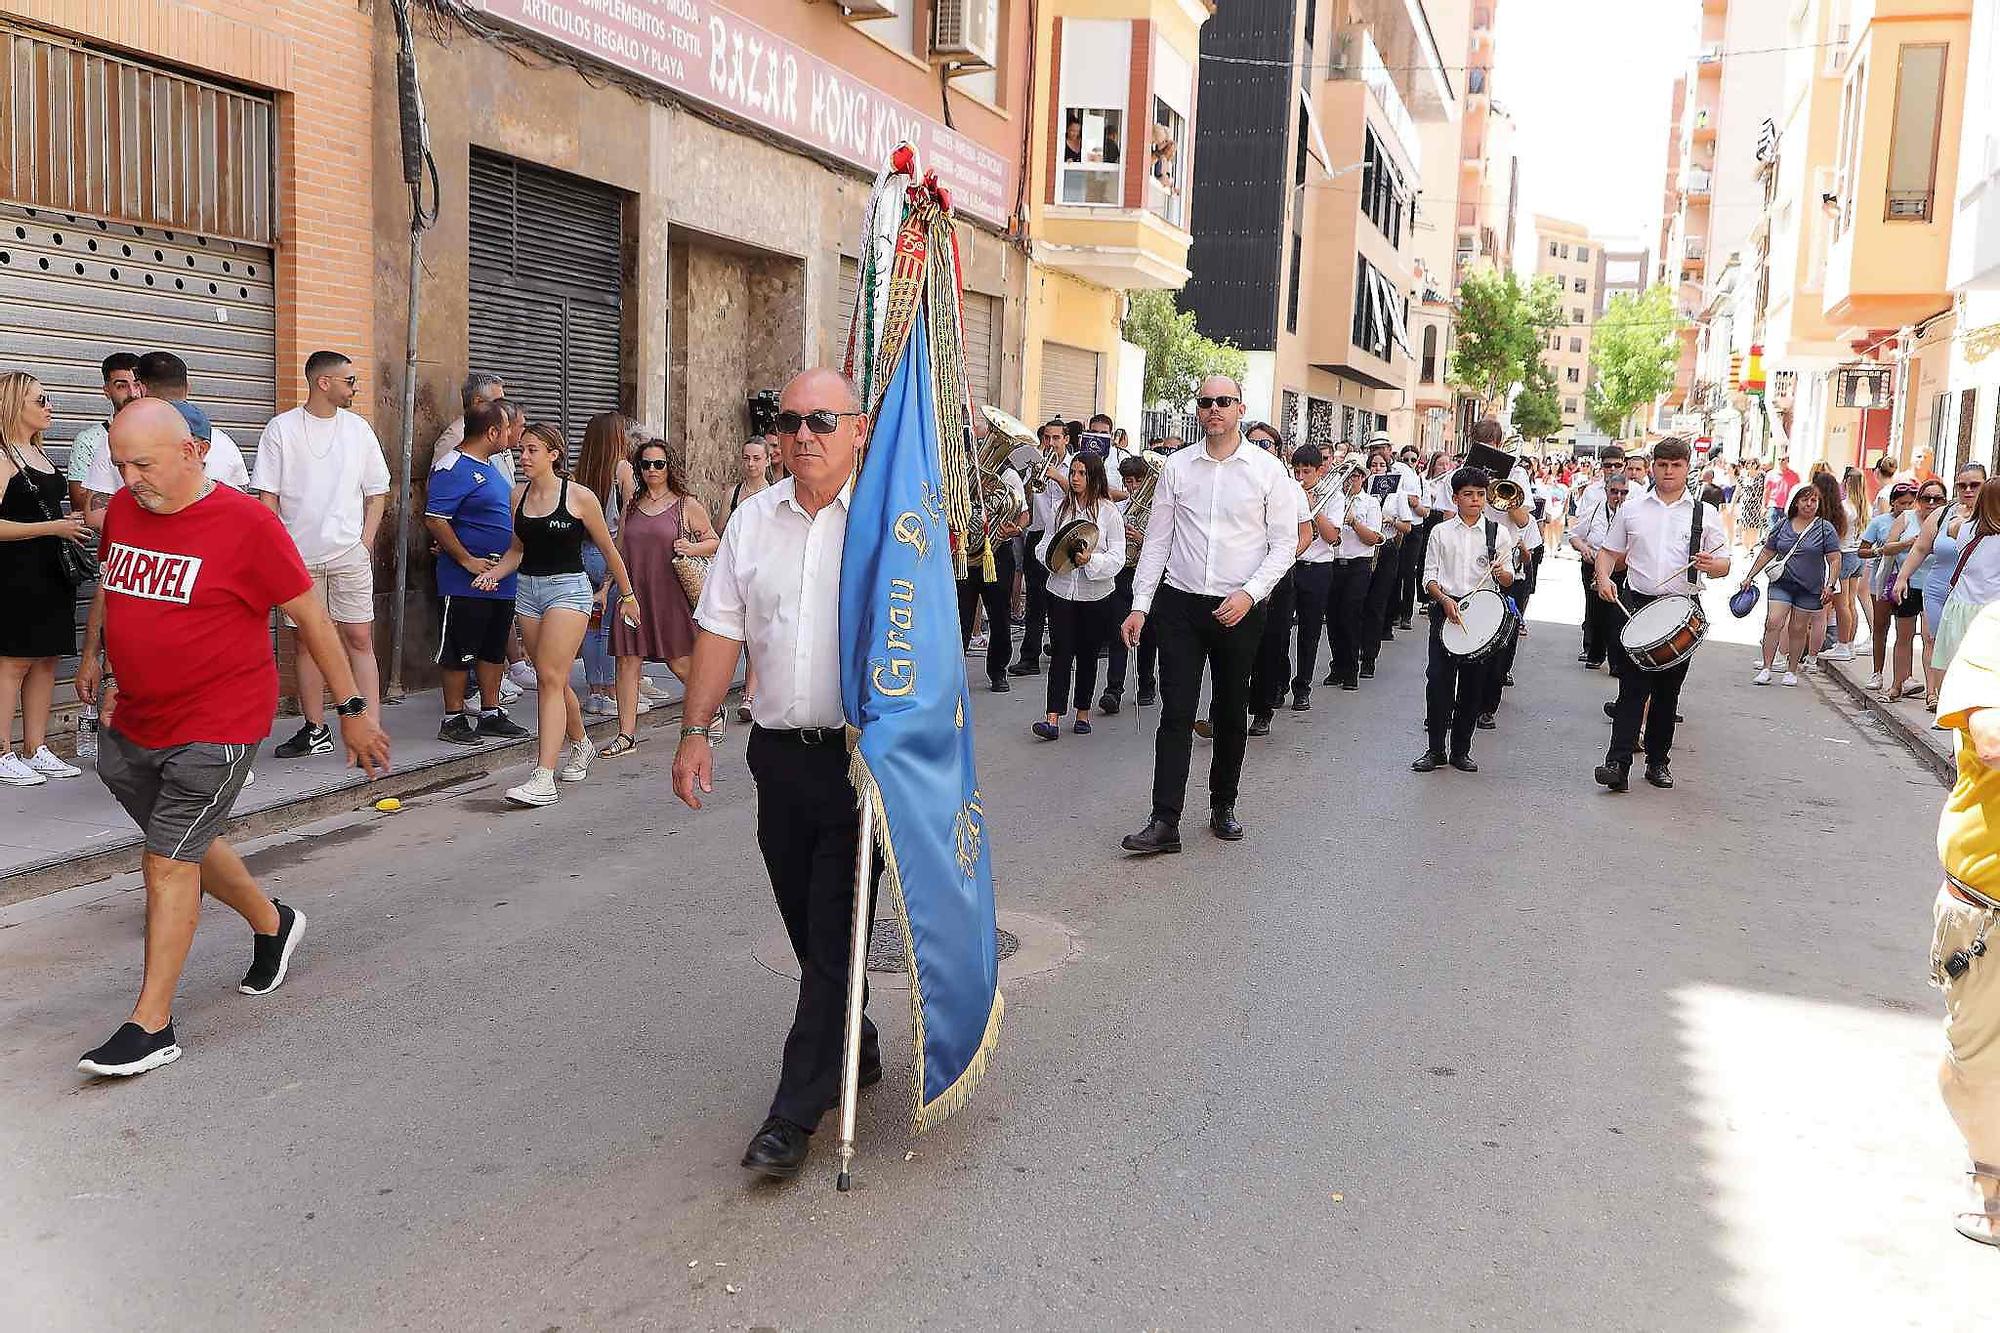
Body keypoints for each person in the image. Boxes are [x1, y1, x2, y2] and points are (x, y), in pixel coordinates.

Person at [71, 398, 390, 1076]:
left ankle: (150, 1024)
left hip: (216, 722)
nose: (128, 480)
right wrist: (99, 656)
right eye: (121, 463)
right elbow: (116, 585)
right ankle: (273, 923)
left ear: (192, 452)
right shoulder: (127, 509)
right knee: (181, 838)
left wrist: (353, 707)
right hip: (134, 718)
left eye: (143, 464)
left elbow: (312, 617)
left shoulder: (249, 525)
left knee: (166, 858)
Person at [671, 369, 882, 1180]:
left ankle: (793, 1114)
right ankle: (853, 1036)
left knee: (833, 929)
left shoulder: (885, 521)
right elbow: (721, 630)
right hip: (777, 759)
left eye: (822, 419)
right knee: (808, 926)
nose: (803, 434)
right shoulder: (752, 521)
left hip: (865, 764)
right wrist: (695, 731)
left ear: (857, 430)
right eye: (788, 419)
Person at [1118, 375, 1296, 853]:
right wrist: (1140, 605)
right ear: (1197, 411)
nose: (1213, 409)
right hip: (1180, 604)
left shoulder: (1266, 470)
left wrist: (1251, 593)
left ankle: (1223, 805)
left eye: (1223, 401)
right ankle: (1165, 820)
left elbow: (1283, 545)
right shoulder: (1177, 468)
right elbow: (1158, 541)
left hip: (1239, 607)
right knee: (1175, 711)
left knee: (1230, 710)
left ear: (1240, 408)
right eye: (1205, 402)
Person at [472, 423, 637, 806]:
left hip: (569, 590)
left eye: (531, 450)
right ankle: (581, 743)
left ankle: (543, 776)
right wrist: (493, 574)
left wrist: (626, 594)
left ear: (553, 455)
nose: (523, 457)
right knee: (556, 681)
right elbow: (517, 550)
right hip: (528, 591)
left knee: (548, 677)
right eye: (521, 451)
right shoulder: (518, 496)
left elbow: (609, 549)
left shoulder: (579, 497)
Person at [252, 351, 390, 760]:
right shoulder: (282, 429)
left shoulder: (358, 429)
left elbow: (376, 492)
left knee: (359, 637)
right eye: (349, 380)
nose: (355, 388)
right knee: (307, 643)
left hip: (348, 553)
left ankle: (372, 727)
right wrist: (280, 551)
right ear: (323, 383)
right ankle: (315, 729)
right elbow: (267, 497)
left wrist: (364, 542)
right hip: (297, 558)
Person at [1591, 437, 1731, 792]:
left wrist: (1711, 565)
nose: (1669, 472)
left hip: (1681, 609)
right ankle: (1617, 763)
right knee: (1631, 689)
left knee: (1667, 694)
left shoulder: (1705, 513)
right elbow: (1608, 552)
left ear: (1687, 468)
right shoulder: (1633, 508)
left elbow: (1725, 565)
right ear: (1653, 466)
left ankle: (1657, 761)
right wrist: (1604, 578)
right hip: (1636, 605)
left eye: (1676, 466)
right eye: (1663, 465)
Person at [1928, 601, 2000, 1248]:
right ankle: (1993, 1182)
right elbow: (1993, 739)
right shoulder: (1995, 628)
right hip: (1988, 910)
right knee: (1974, 1067)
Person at [423, 399, 531, 746]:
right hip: (465, 581)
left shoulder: (492, 465)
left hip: (499, 577)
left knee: (492, 647)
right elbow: (435, 519)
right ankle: (453, 718)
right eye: (508, 428)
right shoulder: (452, 466)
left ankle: (490, 712)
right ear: (493, 432)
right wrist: (467, 559)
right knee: (459, 650)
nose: (514, 434)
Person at [0, 372, 87, 786]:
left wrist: (62, 524)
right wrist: (51, 529)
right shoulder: (2, 456)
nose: (49, 406)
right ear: (16, 404)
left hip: (52, 570)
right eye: (40, 400)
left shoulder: (40, 453)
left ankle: (37, 748)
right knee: (13, 661)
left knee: (47, 659)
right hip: (15, 572)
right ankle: (2, 751)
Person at [607, 438, 715, 756]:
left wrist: (692, 547)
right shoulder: (632, 505)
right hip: (633, 593)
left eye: (659, 464)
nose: (652, 470)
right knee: (627, 660)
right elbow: (620, 548)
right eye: (646, 464)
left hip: (668, 593)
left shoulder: (686, 504)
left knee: (679, 661)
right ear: (638, 469)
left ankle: (711, 708)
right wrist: (607, 587)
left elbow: (714, 541)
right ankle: (626, 735)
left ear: (669, 467)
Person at [1414, 466, 1518, 773]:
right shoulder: (1440, 532)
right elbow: (1429, 575)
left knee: (1473, 686)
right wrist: (1444, 600)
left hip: (1482, 615)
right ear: (1456, 498)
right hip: (1446, 609)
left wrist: (1503, 574)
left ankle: (1461, 750)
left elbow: (1510, 578)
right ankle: (1435, 750)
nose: (1475, 500)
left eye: (1480, 495)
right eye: (1468, 495)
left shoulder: (1498, 533)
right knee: (1438, 682)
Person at [84, 351, 249, 523]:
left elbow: (96, 517)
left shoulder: (120, 438)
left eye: (143, 464)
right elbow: (242, 500)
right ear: (188, 387)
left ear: (140, 388)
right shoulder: (225, 441)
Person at [1032, 454, 1125, 740]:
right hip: (1060, 591)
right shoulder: (1061, 510)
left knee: (1087, 654)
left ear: (1094, 477)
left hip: (1096, 594)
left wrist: (1090, 561)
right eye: (1072, 472)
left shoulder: (1109, 513)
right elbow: (1044, 546)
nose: (1074, 478)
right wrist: (1054, 561)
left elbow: (1117, 557)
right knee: (1061, 652)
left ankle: (1082, 712)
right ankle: (1053, 717)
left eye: (1082, 473)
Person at [572, 412, 645, 721]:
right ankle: (612, 692)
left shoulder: (581, 469)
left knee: (590, 624)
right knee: (609, 625)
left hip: (583, 550)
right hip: (610, 551)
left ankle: (594, 691)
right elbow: (630, 517)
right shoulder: (623, 469)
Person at [1897, 466, 1988, 711]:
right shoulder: (1942, 513)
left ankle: (1962, 696)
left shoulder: (1992, 515)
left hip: (1976, 593)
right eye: (1962, 485)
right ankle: (1934, 693)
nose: (1968, 490)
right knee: (1934, 639)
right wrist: (1902, 577)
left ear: (1986, 484)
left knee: (1968, 645)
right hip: (1939, 586)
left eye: (1975, 485)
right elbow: (1920, 548)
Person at [1739, 481, 1841, 687]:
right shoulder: (1783, 525)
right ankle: (1767, 667)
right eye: (1805, 500)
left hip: (1810, 588)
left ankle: (1791, 669)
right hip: (1782, 583)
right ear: (1795, 502)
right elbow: (1768, 551)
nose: (1809, 504)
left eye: (1814, 501)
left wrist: (1830, 584)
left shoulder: (1824, 528)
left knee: (1798, 628)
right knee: (1773, 621)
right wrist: (1750, 575)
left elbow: (1834, 559)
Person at [1246, 423, 1311, 732]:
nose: (1259, 449)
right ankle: (1222, 710)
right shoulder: (1236, 482)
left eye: (1266, 444)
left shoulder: (1290, 487)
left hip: (1277, 576)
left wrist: (1277, 565)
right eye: (1253, 443)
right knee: (1228, 646)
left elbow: (1305, 535)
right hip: (1237, 573)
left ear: (1278, 450)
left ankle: (1262, 710)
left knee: (1270, 644)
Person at [1008, 419, 1071, 678]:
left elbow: (1080, 494)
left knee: (1063, 599)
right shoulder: (1035, 461)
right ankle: (1029, 657)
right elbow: (1022, 495)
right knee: (1036, 600)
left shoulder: (1075, 465)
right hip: (1038, 535)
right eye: (1047, 438)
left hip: (1064, 537)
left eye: (1056, 438)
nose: (1051, 443)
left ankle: (1061, 651)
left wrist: (1057, 476)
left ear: (1066, 439)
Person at [1287, 445, 1344, 710]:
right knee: (1278, 631)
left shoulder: (1333, 496)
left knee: (1309, 632)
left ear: (1319, 470)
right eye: (1296, 471)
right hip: (1289, 566)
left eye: (1306, 472)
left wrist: (1312, 508)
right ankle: (1277, 683)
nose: (1300, 477)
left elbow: (1332, 537)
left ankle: (1303, 687)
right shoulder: (1288, 491)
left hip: (1318, 568)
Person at [1100, 453, 1156, 714]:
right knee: (1116, 632)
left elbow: (1165, 548)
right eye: (1128, 482)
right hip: (1123, 573)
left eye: (1137, 481)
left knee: (1148, 634)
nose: (1133, 487)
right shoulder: (1119, 508)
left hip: (1147, 576)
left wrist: (1143, 539)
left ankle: (1146, 683)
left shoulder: (1158, 511)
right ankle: (1113, 689)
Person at [1859, 482, 1926, 699]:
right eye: (1902, 503)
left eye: (1910, 503)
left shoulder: (1918, 520)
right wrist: (1887, 549)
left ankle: (1905, 677)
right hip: (1884, 578)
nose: (1906, 507)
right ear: (1893, 503)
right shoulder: (1880, 522)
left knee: (1905, 630)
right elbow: (1863, 551)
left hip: (1909, 580)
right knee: (1881, 625)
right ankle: (1877, 672)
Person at [1928, 477, 2000, 676]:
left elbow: (1951, 526)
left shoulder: (1963, 528)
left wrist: (1960, 511)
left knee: (1960, 673)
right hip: (1991, 613)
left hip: (1959, 609)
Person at [64, 352, 144, 512]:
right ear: (107, 390)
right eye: (121, 386)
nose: (133, 393)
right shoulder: (89, 440)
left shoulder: (164, 432)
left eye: (137, 384)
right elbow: (80, 504)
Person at [430, 371, 507, 472]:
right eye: (498, 402)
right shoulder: (454, 438)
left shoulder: (499, 431)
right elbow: (440, 483)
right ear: (478, 402)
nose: (504, 408)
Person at [1830, 469, 1870, 662]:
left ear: (1846, 482)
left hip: (1844, 554)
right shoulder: (1864, 506)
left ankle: (1842, 643)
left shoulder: (1844, 507)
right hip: (1857, 554)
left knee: (1842, 603)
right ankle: (1850, 643)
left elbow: (1838, 533)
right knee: (1851, 602)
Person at [1736, 458, 1769, 553]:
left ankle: (1751, 548)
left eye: (1752, 464)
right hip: (1745, 506)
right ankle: (1747, 547)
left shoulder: (1762, 476)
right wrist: (1733, 504)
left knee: (1754, 528)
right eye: (1748, 463)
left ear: (1756, 465)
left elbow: (1765, 491)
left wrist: (1764, 506)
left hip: (1756, 506)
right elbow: (1737, 491)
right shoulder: (1743, 476)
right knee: (1745, 527)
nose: (1749, 465)